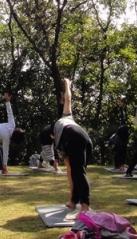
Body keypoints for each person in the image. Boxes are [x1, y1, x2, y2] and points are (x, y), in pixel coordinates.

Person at [41, 78, 93, 213]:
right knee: (78, 172)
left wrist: (54, 163)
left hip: (74, 138)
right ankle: (74, 201)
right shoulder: (65, 117)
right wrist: (67, 86)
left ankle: (85, 206)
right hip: (85, 137)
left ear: (51, 136)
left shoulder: (56, 138)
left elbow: (67, 171)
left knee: (77, 172)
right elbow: (68, 100)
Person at [108, 99, 129, 172]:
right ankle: (118, 165)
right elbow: (122, 117)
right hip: (119, 140)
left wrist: (121, 107)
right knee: (118, 152)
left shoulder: (125, 137)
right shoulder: (120, 133)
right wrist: (121, 107)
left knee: (121, 152)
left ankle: (121, 165)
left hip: (122, 140)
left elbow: (123, 117)